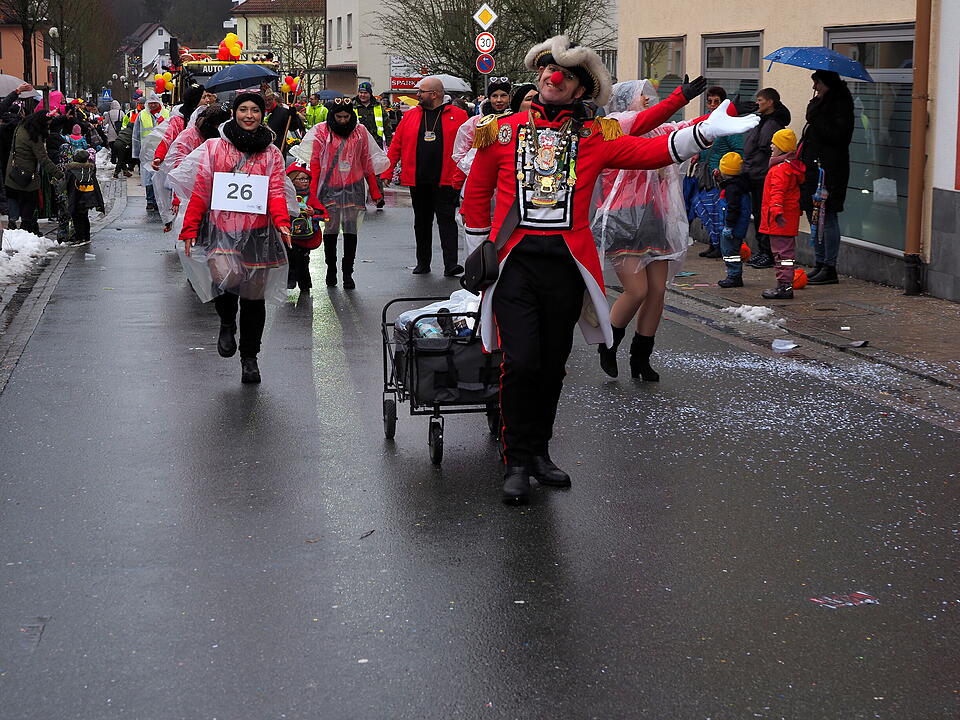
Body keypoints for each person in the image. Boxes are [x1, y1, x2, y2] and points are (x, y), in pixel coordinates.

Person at [461, 35, 758, 504]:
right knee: (521, 362)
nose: (551, 77)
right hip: (514, 266)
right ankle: (515, 459)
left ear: (582, 90)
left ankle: (539, 452)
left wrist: (704, 129)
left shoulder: (596, 138)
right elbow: (476, 195)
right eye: (547, 70)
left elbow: (651, 151)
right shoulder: (499, 132)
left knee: (554, 364)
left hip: (566, 268)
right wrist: (478, 252)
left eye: (565, 74)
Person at [593, 78, 709, 381]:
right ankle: (609, 345)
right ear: (624, 100)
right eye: (641, 95)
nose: (647, 99)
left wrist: (725, 114)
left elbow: (687, 130)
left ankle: (640, 357)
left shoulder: (658, 130)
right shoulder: (615, 125)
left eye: (648, 96)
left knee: (657, 291)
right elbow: (643, 124)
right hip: (622, 218)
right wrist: (680, 96)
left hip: (654, 217)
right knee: (637, 290)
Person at [174, 92, 293, 384]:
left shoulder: (272, 153)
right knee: (226, 280)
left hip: (258, 233)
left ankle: (250, 357)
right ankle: (227, 321)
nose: (249, 115)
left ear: (263, 114)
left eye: (255, 110)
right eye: (243, 110)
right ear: (234, 113)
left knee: (254, 298)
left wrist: (282, 221)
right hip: (221, 230)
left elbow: (276, 191)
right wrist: (189, 228)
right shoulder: (214, 148)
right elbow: (201, 190)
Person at [384, 75, 468, 276]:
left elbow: (466, 146)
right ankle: (423, 263)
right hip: (418, 178)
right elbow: (397, 145)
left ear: (435, 94)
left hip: (446, 179)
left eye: (421, 91)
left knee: (446, 220)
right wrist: (387, 170)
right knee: (421, 222)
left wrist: (463, 174)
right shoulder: (411, 115)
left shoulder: (458, 115)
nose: (418, 95)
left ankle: (450, 265)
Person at [308, 98, 385, 289]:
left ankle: (348, 272)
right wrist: (312, 194)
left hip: (353, 187)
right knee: (331, 231)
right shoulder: (321, 131)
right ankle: (331, 269)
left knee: (351, 231)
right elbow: (315, 164)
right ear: (332, 115)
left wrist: (375, 191)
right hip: (329, 189)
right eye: (339, 116)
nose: (342, 120)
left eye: (346, 116)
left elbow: (367, 162)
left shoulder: (359, 132)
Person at [799, 70, 854, 286]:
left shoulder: (841, 105)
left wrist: (815, 116)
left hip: (831, 171)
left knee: (828, 217)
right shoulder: (822, 105)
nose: (815, 88)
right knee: (815, 217)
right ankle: (820, 263)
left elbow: (837, 136)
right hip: (815, 168)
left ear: (828, 84)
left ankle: (830, 267)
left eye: (818, 84)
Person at [741, 88, 790, 269]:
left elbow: (764, 151)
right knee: (759, 213)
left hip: (762, 175)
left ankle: (768, 253)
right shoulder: (762, 121)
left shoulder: (773, 124)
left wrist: (751, 166)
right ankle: (762, 251)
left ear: (770, 102)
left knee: (765, 216)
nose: (757, 103)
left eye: (760, 100)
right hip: (755, 174)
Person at [693, 86, 744, 258]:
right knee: (704, 209)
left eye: (717, 102)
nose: (713, 105)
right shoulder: (706, 123)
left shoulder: (729, 125)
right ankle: (714, 243)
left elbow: (739, 150)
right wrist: (697, 155)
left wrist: (725, 168)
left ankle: (721, 246)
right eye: (710, 102)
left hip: (720, 177)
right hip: (705, 174)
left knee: (717, 212)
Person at [759, 129, 805, 299]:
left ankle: (784, 287)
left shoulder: (780, 169)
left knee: (782, 255)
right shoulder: (788, 167)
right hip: (785, 219)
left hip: (780, 221)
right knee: (784, 255)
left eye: (774, 143)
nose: (771, 146)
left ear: (782, 147)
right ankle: (784, 285)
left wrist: (776, 213)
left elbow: (777, 193)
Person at [5, 111, 63, 235]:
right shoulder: (34, 136)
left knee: (14, 197)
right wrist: (58, 173)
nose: (48, 127)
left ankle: (18, 224)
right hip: (26, 174)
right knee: (30, 200)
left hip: (13, 169)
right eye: (47, 125)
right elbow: (43, 159)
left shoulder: (21, 127)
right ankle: (27, 230)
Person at [452, 77, 512, 176]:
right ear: (489, 98)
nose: (499, 100)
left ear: (509, 97)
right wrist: (475, 169)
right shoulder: (475, 122)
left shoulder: (517, 117)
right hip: (480, 176)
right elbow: (459, 153)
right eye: (494, 96)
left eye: (503, 95)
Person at [714, 152, 752, 289]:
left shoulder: (732, 189)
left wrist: (728, 226)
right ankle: (734, 274)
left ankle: (734, 276)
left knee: (730, 252)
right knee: (732, 250)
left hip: (732, 227)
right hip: (737, 226)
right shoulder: (738, 185)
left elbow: (733, 208)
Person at [285, 164, 325, 292]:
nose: (305, 181)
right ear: (292, 181)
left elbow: (323, 213)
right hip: (290, 235)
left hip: (306, 236)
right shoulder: (286, 196)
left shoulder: (310, 197)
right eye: (301, 179)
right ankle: (291, 279)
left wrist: (313, 213)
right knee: (291, 258)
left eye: (306, 179)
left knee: (303, 260)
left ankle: (305, 284)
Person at [131, 92, 169, 211]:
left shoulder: (166, 114)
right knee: (148, 177)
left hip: (162, 150)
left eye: (155, 103)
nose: (152, 105)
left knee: (160, 177)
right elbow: (136, 135)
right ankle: (150, 201)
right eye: (150, 103)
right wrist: (136, 152)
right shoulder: (142, 115)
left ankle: (159, 201)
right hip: (147, 151)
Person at [61, 149, 105, 246]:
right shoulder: (90, 170)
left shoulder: (71, 171)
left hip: (76, 198)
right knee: (84, 217)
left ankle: (80, 238)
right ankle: (86, 236)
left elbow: (66, 185)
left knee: (77, 218)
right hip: (88, 197)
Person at [264, 90, 305, 157]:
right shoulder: (260, 112)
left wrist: (293, 116)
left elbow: (293, 127)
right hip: (264, 151)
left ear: (274, 99)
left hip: (278, 150)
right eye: (265, 100)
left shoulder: (283, 112)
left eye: (270, 100)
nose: (267, 102)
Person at [354, 82, 391, 149]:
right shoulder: (352, 106)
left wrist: (389, 143)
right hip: (358, 144)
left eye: (365, 93)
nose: (363, 95)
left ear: (370, 94)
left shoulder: (378, 106)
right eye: (361, 92)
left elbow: (387, 125)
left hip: (376, 143)